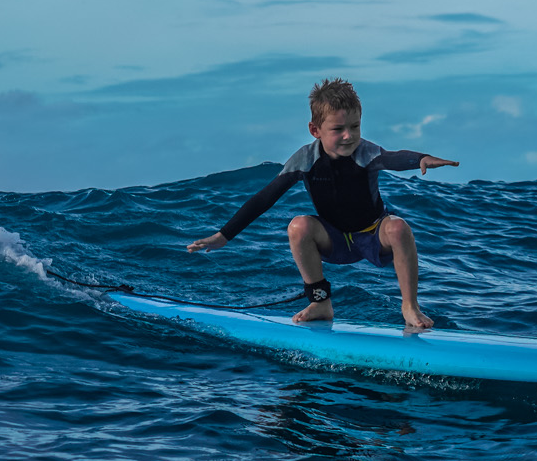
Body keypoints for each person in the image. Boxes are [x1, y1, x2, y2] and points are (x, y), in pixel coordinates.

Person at [185, 78, 457, 329]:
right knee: (298, 226)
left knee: (398, 228)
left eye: (355, 127)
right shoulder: (305, 159)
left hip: (373, 235)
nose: (349, 136)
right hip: (334, 239)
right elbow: (265, 198)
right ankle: (320, 302)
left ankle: (410, 307)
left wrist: (420, 158)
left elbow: (394, 157)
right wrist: (224, 236)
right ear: (315, 130)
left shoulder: (367, 152)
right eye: (338, 129)